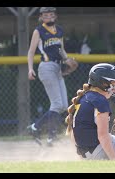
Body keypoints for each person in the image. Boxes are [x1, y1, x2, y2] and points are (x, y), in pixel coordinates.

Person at [27, 7, 78, 146]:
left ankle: (41, 131)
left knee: (62, 106)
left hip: (57, 67)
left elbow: (61, 49)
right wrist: (30, 69)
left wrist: (67, 60)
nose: (48, 17)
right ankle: (42, 131)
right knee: (56, 104)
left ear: (55, 16)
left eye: (51, 14)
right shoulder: (39, 31)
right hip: (46, 67)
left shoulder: (59, 30)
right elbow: (31, 52)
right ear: (41, 17)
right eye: (45, 15)